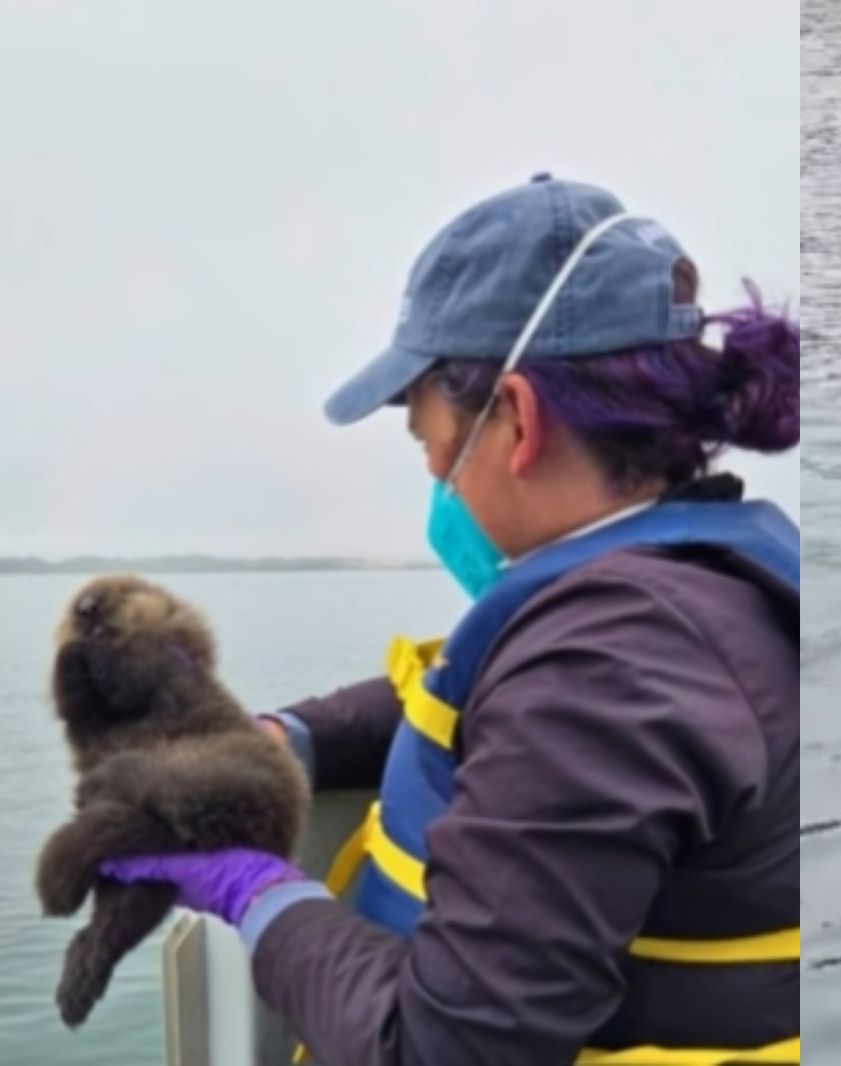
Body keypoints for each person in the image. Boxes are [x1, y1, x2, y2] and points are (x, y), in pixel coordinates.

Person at [100, 173, 801, 1066]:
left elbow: (444, 1051)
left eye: (430, 442)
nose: (437, 480)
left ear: (514, 416)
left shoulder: (611, 662)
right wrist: (289, 739)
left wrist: (253, 889)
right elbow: (487, 711)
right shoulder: (684, 601)